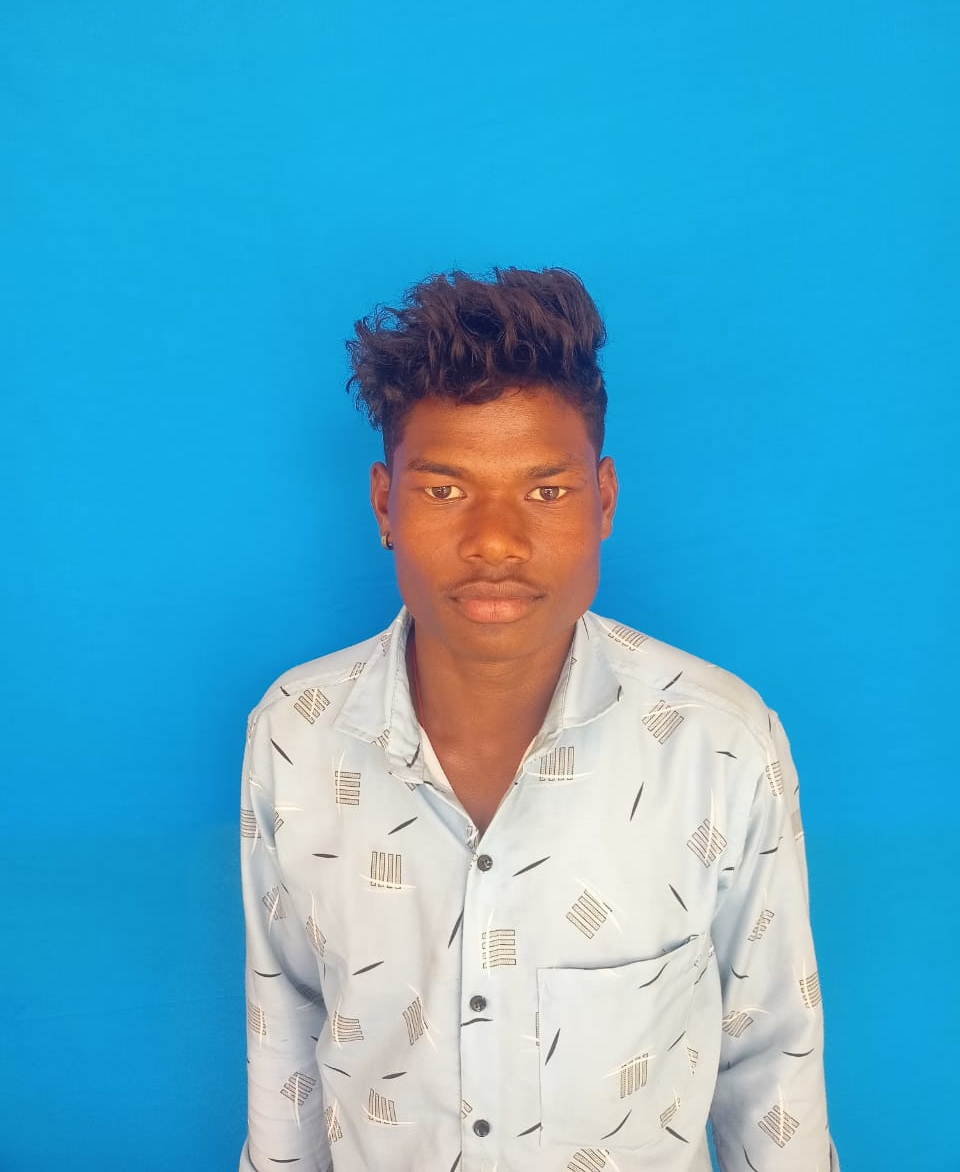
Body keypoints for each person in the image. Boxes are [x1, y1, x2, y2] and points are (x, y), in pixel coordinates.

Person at [239, 267, 839, 1172]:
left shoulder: (718, 742)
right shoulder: (297, 733)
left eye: (546, 491)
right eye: (445, 490)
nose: (495, 541)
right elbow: (285, 1035)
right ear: (384, 503)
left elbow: (772, 1060)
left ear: (604, 500)